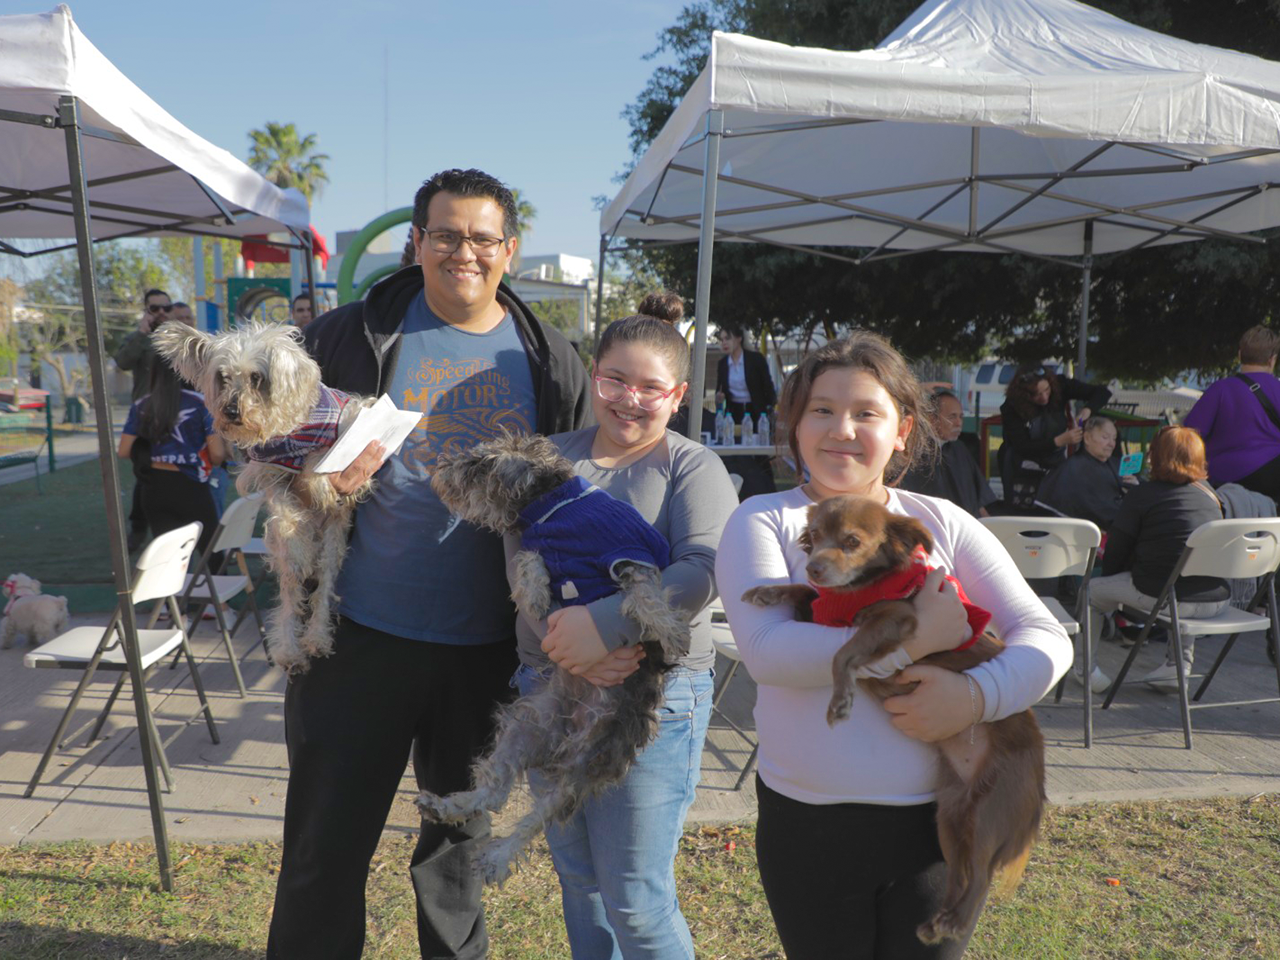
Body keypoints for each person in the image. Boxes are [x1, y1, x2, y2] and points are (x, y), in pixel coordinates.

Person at [266, 168, 590, 960]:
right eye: (445, 235)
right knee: (325, 847)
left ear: (509, 250)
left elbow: (585, 496)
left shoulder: (553, 360)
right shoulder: (349, 334)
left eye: (482, 237)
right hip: (355, 638)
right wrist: (313, 482)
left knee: (455, 850)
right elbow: (263, 452)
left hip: (487, 649)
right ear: (416, 243)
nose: (463, 252)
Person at [716, 332, 1070, 959]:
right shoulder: (764, 519)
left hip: (932, 829)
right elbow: (769, 651)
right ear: (795, 424)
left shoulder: (941, 523)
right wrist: (916, 642)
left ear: (904, 429)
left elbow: (1045, 638)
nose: (841, 429)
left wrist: (974, 694)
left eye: (866, 413)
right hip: (808, 823)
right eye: (821, 409)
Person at [510, 304, 736, 959]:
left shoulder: (693, 469)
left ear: (679, 395)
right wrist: (565, 645)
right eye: (614, 381)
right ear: (592, 374)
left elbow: (700, 570)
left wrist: (606, 631)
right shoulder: (550, 460)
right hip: (551, 687)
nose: (629, 400)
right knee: (580, 882)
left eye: (650, 389)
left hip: (650, 698)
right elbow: (521, 559)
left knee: (635, 899)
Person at [1088, 426, 1227, 692]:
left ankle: (1087, 671)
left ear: (1156, 456)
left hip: (1170, 600)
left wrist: (1112, 582)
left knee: (1090, 591)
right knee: (1182, 579)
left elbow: (1116, 550)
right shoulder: (1210, 494)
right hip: (1218, 601)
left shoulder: (1144, 495)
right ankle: (1178, 668)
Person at [116, 355, 224, 561]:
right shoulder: (201, 403)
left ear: (153, 372)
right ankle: (216, 593)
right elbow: (217, 454)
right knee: (213, 555)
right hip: (193, 487)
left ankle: (175, 594)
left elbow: (123, 451)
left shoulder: (142, 405)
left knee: (168, 561)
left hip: (153, 487)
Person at [114, 289, 196, 552]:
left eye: (165, 307)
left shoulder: (178, 338)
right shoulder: (138, 338)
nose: (161, 313)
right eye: (154, 308)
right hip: (146, 420)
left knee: (186, 471)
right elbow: (123, 362)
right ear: (146, 310)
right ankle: (139, 528)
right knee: (144, 473)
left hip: (180, 418)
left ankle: (188, 528)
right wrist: (142, 333)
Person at [1182, 324, 1280, 498]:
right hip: (1272, 479)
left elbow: (1188, 435)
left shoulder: (1219, 390)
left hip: (1223, 481)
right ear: (1272, 359)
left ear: (1240, 355)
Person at [999, 363, 1111, 512]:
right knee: (1021, 513)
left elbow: (1103, 392)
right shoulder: (1011, 407)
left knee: (1055, 507)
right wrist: (1060, 441)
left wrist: (1087, 410)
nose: (1044, 397)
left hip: (1054, 461)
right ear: (1024, 394)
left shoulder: (1060, 385)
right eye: (1037, 394)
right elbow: (1022, 446)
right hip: (1020, 464)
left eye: (1047, 390)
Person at [899, 389, 997, 517]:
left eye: (961, 416)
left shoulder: (960, 449)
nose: (959, 423)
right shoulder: (914, 451)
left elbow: (977, 502)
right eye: (952, 416)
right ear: (932, 418)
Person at [1034, 415, 1136, 531]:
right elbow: (1090, 508)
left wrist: (1134, 486)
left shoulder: (1117, 464)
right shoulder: (1073, 468)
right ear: (1087, 438)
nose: (1111, 444)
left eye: (1114, 438)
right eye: (1105, 437)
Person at [715, 324, 778, 499]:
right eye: (722, 340)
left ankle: (769, 491)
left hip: (757, 412)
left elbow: (768, 387)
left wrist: (769, 409)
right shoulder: (723, 364)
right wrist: (719, 398)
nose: (724, 343)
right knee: (736, 451)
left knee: (760, 453)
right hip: (733, 412)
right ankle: (741, 491)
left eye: (727, 338)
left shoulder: (755, 359)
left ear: (739, 339)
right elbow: (721, 392)